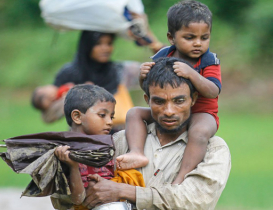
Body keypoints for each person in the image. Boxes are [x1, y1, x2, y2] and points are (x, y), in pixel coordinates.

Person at [82, 57, 231, 210]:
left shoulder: (214, 149)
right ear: (147, 100)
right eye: (159, 102)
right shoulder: (122, 140)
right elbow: (84, 188)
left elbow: (193, 201)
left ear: (193, 99)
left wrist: (123, 190)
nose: (169, 111)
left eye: (179, 101)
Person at [116, 0, 222, 185]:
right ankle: (136, 152)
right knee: (134, 113)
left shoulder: (208, 60)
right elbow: (152, 90)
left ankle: (181, 177)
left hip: (202, 113)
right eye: (189, 38)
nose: (198, 43)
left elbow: (213, 91)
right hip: (167, 108)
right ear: (171, 37)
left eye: (204, 38)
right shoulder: (163, 56)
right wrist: (143, 77)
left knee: (199, 133)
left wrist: (192, 74)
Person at [51, 84, 145, 210]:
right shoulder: (66, 153)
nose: (110, 122)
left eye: (111, 117)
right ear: (77, 117)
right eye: (102, 115)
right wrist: (73, 167)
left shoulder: (108, 144)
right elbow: (78, 199)